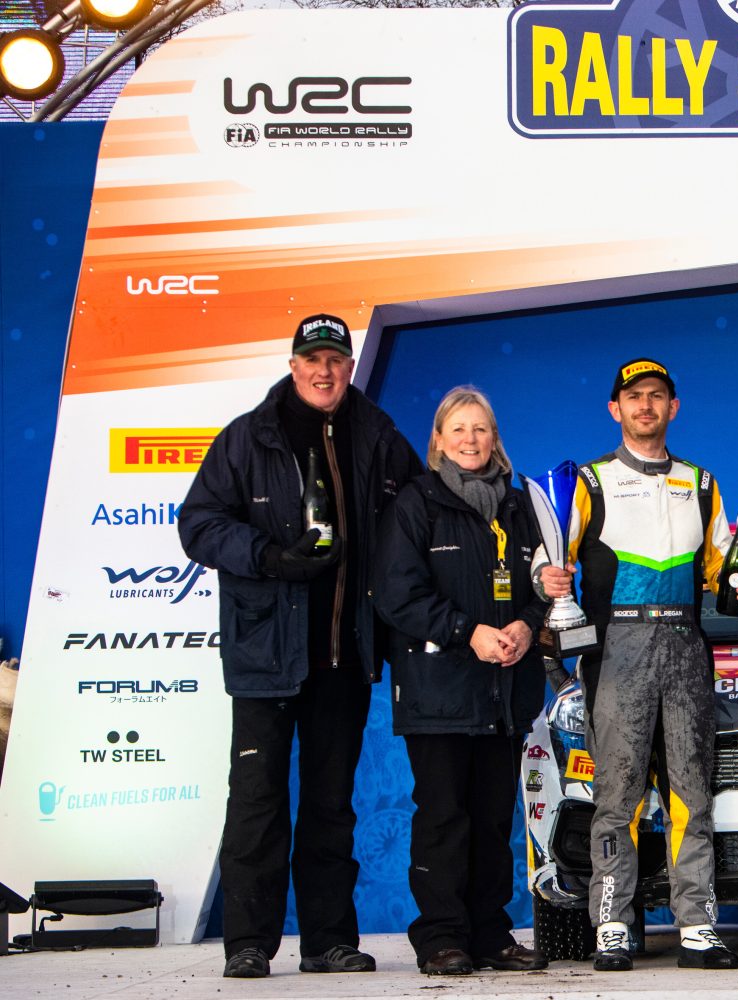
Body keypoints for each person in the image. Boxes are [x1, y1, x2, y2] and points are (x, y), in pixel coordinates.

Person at [178, 313, 423, 979]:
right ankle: (248, 943)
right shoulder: (247, 437)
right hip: (266, 652)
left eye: (335, 360)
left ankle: (327, 941)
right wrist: (268, 556)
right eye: (312, 359)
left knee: (329, 804)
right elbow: (198, 524)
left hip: (345, 653)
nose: (324, 371)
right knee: (256, 801)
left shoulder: (378, 435)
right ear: (293, 366)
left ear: (349, 366)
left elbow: (419, 516)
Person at [536, 358, 738, 972]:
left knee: (691, 793)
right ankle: (612, 923)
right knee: (618, 795)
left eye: (657, 395)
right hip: (617, 647)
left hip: (684, 643)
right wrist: (547, 577)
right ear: (616, 408)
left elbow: (721, 570)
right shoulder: (589, 481)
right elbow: (547, 558)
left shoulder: (701, 483)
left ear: (673, 407)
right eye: (634, 396)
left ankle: (698, 927)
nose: (645, 405)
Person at [373, 386, 551, 976]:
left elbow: (543, 584)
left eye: (480, 429)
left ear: (494, 438)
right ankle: (441, 937)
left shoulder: (521, 506)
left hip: (505, 691)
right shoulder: (416, 503)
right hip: (438, 692)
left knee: (494, 818)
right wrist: (465, 631)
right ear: (439, 440)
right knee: (444, 816)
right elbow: (396, 594)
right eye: (459, 429)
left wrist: (528, 624)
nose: (470, 440)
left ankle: (491, 934)